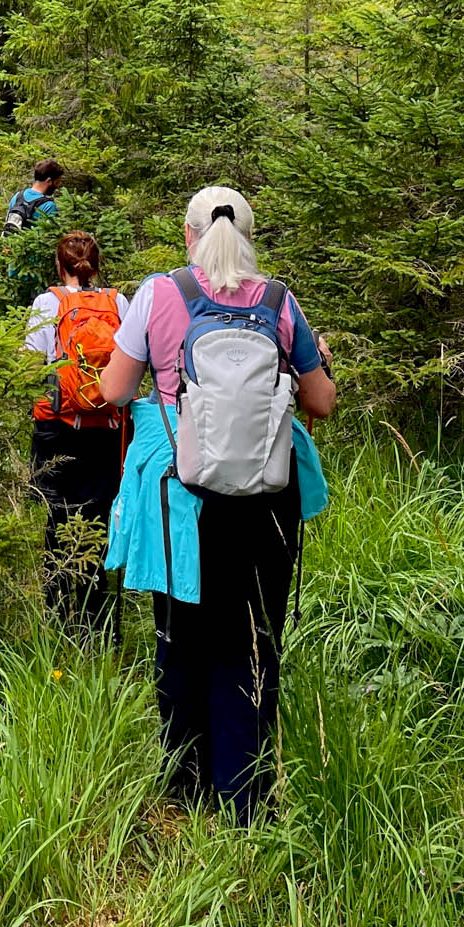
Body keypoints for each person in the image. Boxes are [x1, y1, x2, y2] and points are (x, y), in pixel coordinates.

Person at [100, 185, 336, 823]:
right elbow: (321, 403)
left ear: (188, 235)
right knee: (253, 639)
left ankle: (185, 787)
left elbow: (115, 391)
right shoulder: (281, 302)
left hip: (184, 498)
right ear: (251, 236)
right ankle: (247, 799)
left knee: (181, 637)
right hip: (267, 498)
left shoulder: (160, 293)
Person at [24, 228, 127, 631]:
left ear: (58, 264)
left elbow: (31, 368)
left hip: (58, 429)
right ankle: (101, 623)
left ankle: (59, 617)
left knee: (58, 521)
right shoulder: (119, 302)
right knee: (99, 520)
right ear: (96, 265)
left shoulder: (46, 303)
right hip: (108, 431)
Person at [3, 157, 65, 237]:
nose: (58, 185)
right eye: (57, 182)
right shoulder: (48, 206)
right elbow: (47, 238)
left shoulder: (17, 196)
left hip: (13, 246)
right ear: (49, 181)